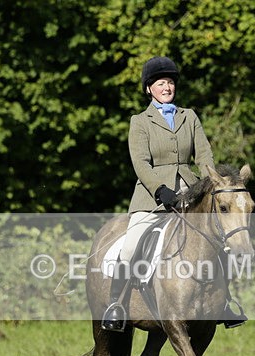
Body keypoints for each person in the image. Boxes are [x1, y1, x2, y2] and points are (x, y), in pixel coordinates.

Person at [101, 56, 246, 331]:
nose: (166, 87)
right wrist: (160, 190)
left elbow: (203, 155)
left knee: (220, 239)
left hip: (190, 191)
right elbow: (141, 163)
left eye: (169, 82)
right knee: (131, 244)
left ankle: (224, 301)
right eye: (160, 83)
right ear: (149, 89)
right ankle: (115, 304)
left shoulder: (188, 116)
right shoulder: (140, 122)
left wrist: (211, 182)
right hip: (151, 196)